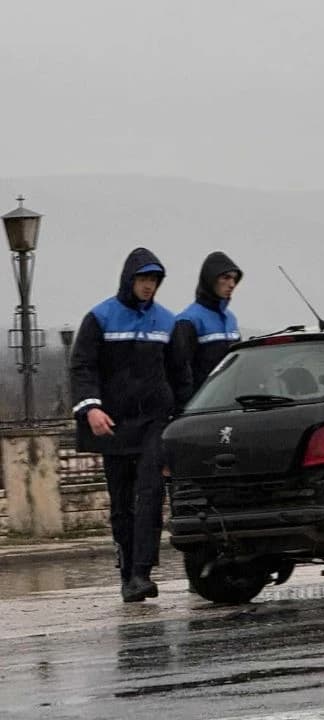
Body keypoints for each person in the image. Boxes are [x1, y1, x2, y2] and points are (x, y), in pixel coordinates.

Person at [69, 248, 192, 602]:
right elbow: (82, 366)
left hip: (155, 421)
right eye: (143, 279)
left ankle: (142, 572)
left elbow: (180, 375)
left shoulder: (168, 322)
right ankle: (126, 574)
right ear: (129, 279)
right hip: (114, 424)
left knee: (150, 493)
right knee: (122, 501)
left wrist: (181, 421)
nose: (148, 286)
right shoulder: (100, 317)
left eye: (154, 280)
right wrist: (90, 408)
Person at [174, 252, 243, 390]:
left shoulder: (231, 319)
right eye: (226, 277)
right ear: (210, 279)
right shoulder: (188, 320)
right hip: (201, 405)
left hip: (229, 403)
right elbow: (178, 370)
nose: (232, 284)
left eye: (234, 279)